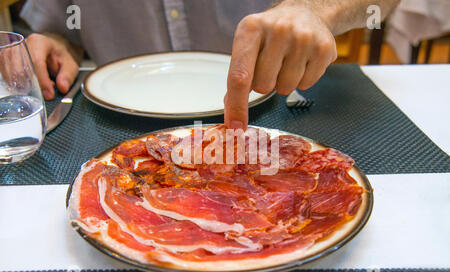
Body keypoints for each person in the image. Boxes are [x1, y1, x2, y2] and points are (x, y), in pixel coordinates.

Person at [21, 0, 399, 130]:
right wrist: (51, 44)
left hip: (278, 114)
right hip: (113, 122)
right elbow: (58, 29)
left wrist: (314, 10)